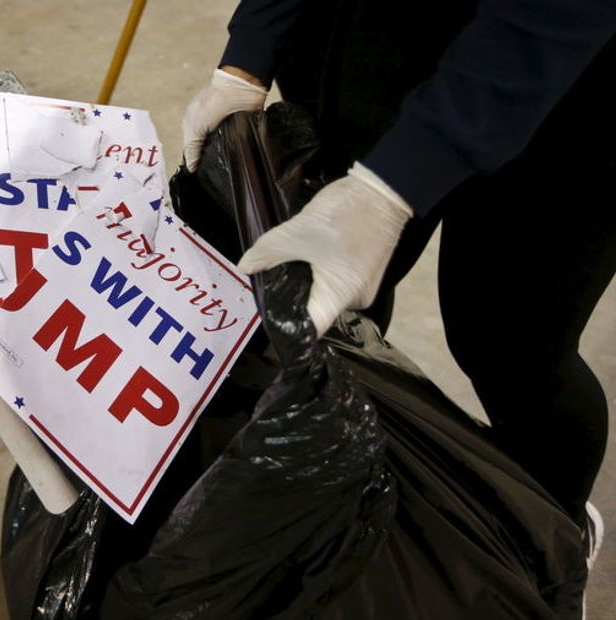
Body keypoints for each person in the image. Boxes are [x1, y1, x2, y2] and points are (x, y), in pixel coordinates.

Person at [181, 0, 615, 555]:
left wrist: (391, 188)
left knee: (509, 342)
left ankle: (555, 549)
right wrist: (248, 53)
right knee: (324, 310)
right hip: (380, 31)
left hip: (573, 68)